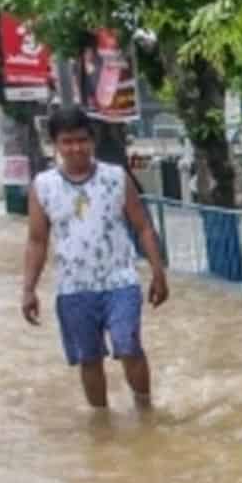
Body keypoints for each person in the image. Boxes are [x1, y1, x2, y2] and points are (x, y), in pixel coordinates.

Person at [21, 105, 169, 409]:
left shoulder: (116, 177)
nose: (75, 148)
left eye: (81, 140)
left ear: (92, 140)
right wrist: (28, 289)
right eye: (67, 141)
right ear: (56, 145)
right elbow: (37, 241)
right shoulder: (43, 186)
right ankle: (101, 423)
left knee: (129, 346)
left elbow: (142, 227)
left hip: (121, 281)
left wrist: (158, 272)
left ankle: (145, 408)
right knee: (89, 359)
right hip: (73, 288)